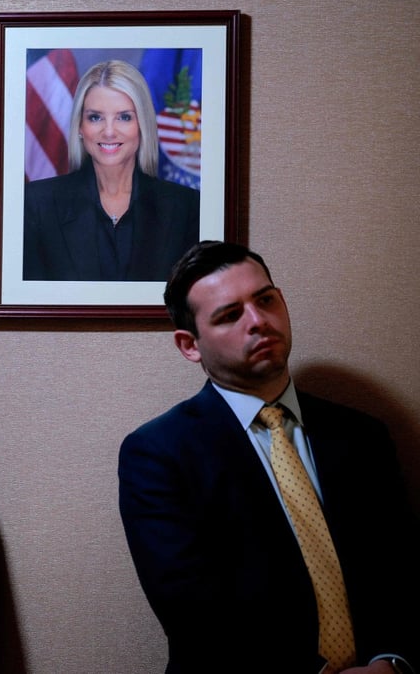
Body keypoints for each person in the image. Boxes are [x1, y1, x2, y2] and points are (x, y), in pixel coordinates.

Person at [118, 240, 420, 673]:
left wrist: (392, 662)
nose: (258, 322)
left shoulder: (362, 435)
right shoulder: (158, 455)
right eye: (229, 315)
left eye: (265, 300)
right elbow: (194, 615)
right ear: (190, 345)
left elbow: (403, 570)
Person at [23, 59, 199, 281]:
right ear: (80, 127)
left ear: (142, 125)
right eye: (95, 117)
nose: (108, 132)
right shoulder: (36, 205)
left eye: (124, 117)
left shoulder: (186, 207)